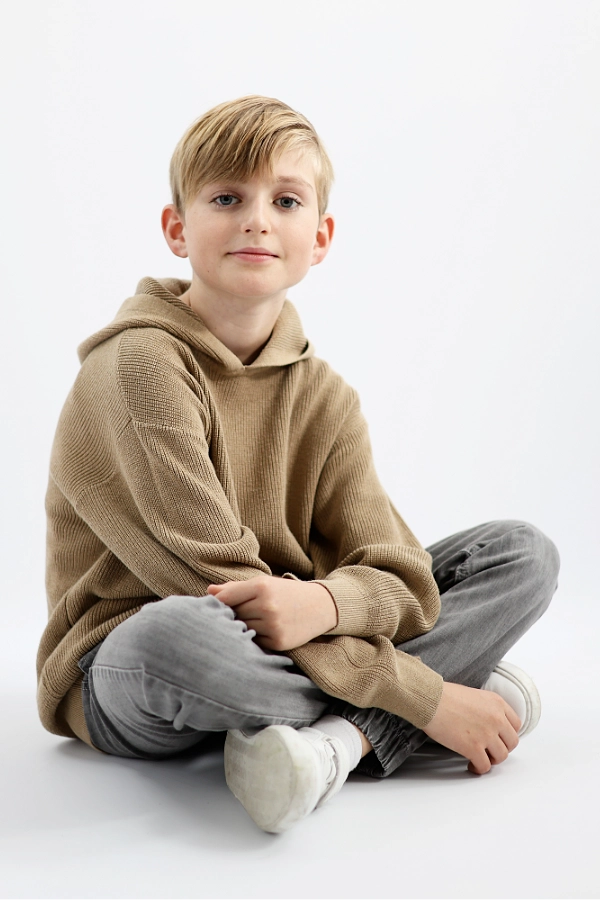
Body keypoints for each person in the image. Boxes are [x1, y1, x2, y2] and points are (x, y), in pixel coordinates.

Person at [37, 95, 560, 835]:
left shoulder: (325, 395)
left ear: (319, 238)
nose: (256, 219)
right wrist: (427, 693)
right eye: (227, 197)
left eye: (284, 200)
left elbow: (400, 575)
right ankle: (453, 685)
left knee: (520, 553)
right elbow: (214, 588)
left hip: (298, 634)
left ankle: (335, 745)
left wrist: (326, 604)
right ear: (177, 229)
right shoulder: (139, 365)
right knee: (182, 637)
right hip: (142, 658)